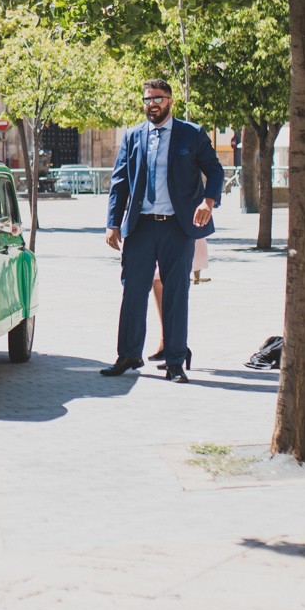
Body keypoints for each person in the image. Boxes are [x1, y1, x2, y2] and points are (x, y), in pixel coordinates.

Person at [103, 77, 224, 383]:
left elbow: (215, 169)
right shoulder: (133, 136)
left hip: (177, 228)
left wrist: (208, 202)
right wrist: (112, 224)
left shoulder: (191, 134)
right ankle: (128, 354)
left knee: (176, 294)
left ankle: (175, 361)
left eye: (157, 98)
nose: (151, 104)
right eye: (147, 99)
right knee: (133, 291)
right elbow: (119, 182)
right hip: (141, 227)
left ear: (170, 101)